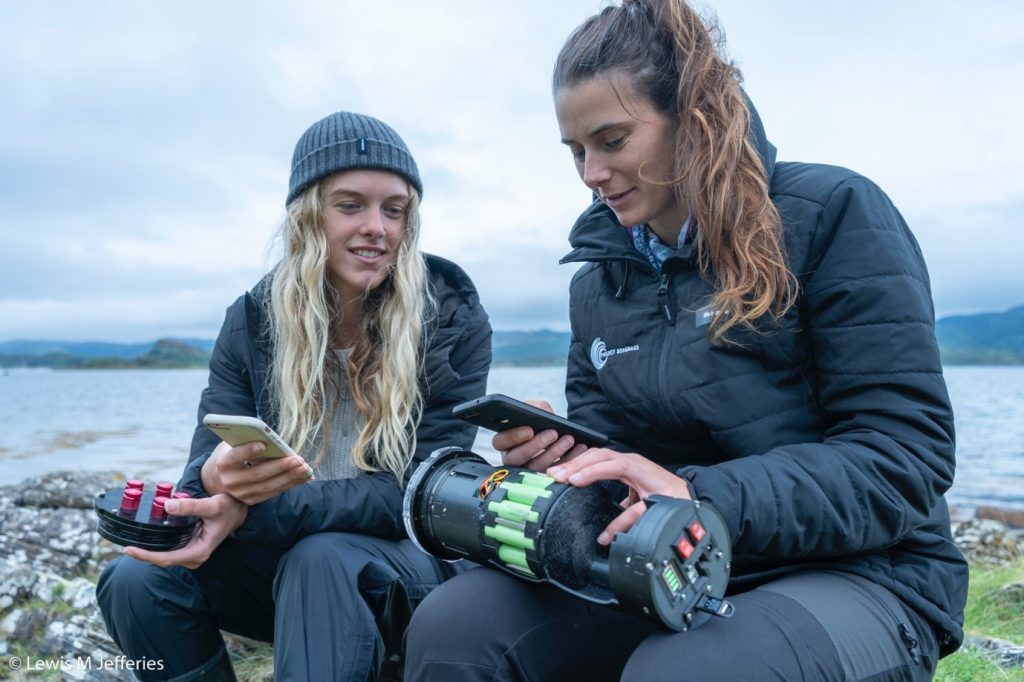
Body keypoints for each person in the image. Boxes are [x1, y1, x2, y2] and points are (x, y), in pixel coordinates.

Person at [404, 1, 966, 680]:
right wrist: (569, 458)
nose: (589, 174)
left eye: (612, 141)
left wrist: (698, 497)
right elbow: (622, 454)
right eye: (576, 150)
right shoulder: (599, 276)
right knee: (458, 623)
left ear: (693, 117)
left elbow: (903, 458)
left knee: (688, 670)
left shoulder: (834, 213)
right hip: (665, 564)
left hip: (865, 574)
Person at [97, 111, 492, 681]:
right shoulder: (253, 319)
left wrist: (258, 509)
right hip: (287, 571)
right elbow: (206, 459)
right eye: (350, 205)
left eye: (394, 209)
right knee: (135, 581)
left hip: (407, 571)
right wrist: (210, 484)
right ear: (308, 215)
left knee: (323, 556)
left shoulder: (449, 317)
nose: (376, 227)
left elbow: (414, 491)